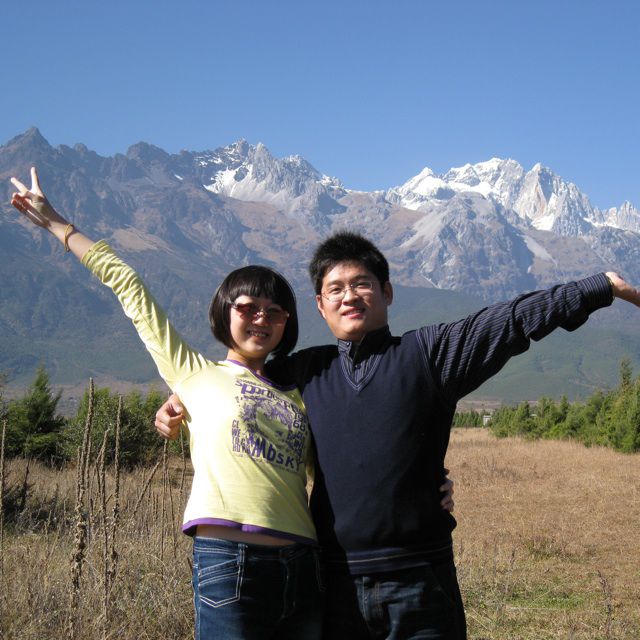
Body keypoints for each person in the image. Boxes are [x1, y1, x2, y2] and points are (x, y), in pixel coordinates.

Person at [8, 167, 456, 639]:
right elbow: (129, 286)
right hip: (229, 560)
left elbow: (353, 458)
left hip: (306, 564)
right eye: (247, 308)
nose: (261, 318)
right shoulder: (193, 373)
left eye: (275, 312)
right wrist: (57, 223)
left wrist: (429, 483)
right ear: (225, 313)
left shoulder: (301, 391)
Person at [156, 230, 640, 639]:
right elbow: (235, 385)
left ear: (387, 292)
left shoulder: (429, 354)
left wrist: (600, 286)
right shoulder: (304, 371)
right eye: (335, 288)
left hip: (421, 579)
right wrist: (180, 400)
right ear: (320, 306)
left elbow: (511, 320)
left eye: (361, 283)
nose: (349, 296)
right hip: (334, 583)